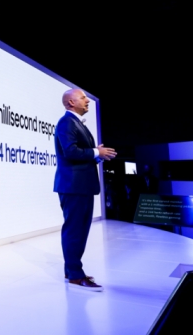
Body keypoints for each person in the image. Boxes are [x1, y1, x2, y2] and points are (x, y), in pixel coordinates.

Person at [54, 88, 116, 291]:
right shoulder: (67, 122)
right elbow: (70, 152)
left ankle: (72, 271)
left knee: (79, 231)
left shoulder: (76, 123)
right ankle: (75, 275)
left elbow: (80, 154)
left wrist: (98, 156)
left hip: (80, 185)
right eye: (82, 97)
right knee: (75, 231)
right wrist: (96, 151)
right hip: (74, 186)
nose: (87, 100)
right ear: (71, 102)